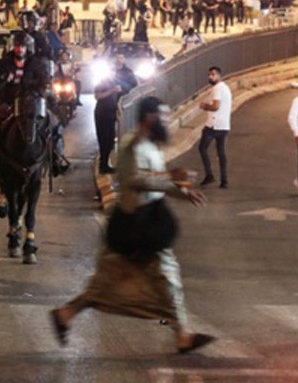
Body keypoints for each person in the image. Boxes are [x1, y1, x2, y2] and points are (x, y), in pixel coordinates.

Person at [50, 96, 212, 353]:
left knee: (110, 280)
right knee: (165, 276)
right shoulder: (130, 144)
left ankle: (66, 313)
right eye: (163, 115)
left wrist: (180, 187)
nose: (167, 120)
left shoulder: (149, 145)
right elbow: (135, 179)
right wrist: (173, 180)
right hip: (135, 225)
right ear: (149, 117)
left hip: (147, 221)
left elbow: (153, 180)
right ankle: (182, 335)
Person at [0, 31, 51, 177]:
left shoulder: (37, 63)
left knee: (52, 123)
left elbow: (44, 84)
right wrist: (3, 79)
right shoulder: (3, 63)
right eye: (17, 46)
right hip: (7, 104)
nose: (20, 49)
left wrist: (35, 88)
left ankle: (55, 159)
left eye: (23, 46)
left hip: (31, 104)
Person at [94, 54, 138, 174]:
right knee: (104, 140)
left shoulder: (115, 81)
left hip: (111, 112)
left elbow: (116, 98)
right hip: (102, 113)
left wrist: (118, 109)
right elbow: (97, 96)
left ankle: (105, 164)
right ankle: (103, 166)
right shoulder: (103, 82)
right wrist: (112, 90)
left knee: (110, 140)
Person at [198, 66, 232, 188]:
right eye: (209, 75)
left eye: (213, 74)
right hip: (224, 125)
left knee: (202, 148)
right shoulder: (225, 88)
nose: (210, 77)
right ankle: (224, 180)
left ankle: (209, 175)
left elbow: (216, 106)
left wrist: (204, 106)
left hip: (213, 126)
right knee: (221, 153)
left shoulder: (217, 89)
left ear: (219, 75)